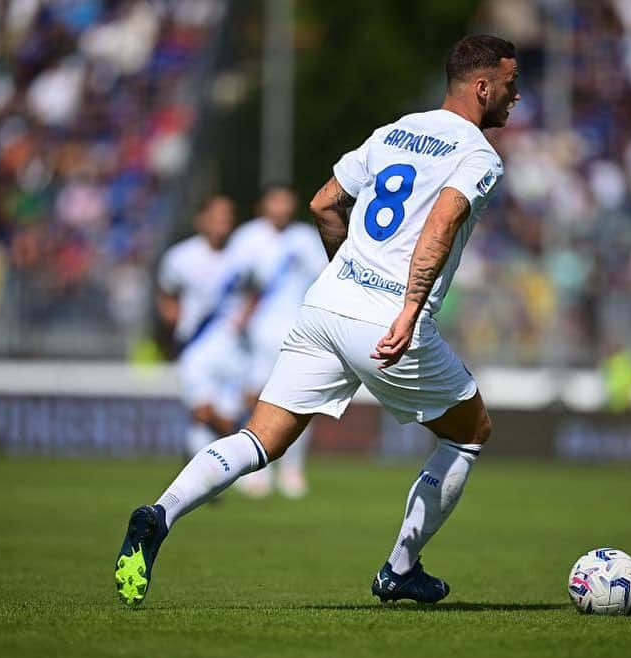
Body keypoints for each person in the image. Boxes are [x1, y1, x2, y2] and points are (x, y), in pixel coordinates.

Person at [115, 34, 519, 607]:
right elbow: (441, 226)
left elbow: (324, 203)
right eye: (511, 83)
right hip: (386, 320)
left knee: (258, 438)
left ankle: (159, 512)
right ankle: (400, 569)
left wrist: (346, 274)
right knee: (470, 433)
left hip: (325, 305)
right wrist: (405, 309)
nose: (517, 95)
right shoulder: (478, 155)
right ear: (483, 87)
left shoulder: (395, 130)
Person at [232, 185, 327, 499]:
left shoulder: (305, 239)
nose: (282, 207)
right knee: (253, 400)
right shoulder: (247, 238)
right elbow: (233, 285)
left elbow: (323, 280)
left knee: (300, 400)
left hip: (297, 333)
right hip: (256, 337)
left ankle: (292, 468)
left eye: (287, 201)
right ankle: (254, 468)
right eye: (276, 200)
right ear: (264, 204)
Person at [156, 195, 251, 460]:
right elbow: (166, 292)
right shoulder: (180, 257)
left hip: (232, 348)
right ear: (202, 220)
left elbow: (256, 291)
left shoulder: (241, 257)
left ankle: (211, 475)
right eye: (218, 215)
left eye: (228, 215)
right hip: (195, 346)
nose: (224, 221)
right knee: (203, 412)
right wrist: (171, 318)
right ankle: (243, 449)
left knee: (227, 411)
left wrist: (247, 316)